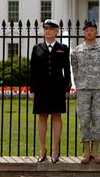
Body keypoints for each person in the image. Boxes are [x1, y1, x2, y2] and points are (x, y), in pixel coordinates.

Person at [30, 19, 71, 164]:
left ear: (56, 31)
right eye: (46, 28)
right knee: (42, 118)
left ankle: (55, 149)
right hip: (41, 89)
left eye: (51, 28)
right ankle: (42, 150)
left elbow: (67, 70)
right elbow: (33, 71)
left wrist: (67, 89)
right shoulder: (37, 48)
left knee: (56, 117)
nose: (48, 31)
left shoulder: (63, 48)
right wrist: (32, 90)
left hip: (57, 88)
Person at [71, 20, 100, 164]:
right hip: (83, 89)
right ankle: (86, 150)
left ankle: (96, 149)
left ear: (96, 32)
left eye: (92, 30)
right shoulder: (76, 51)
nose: (89, 32)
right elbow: (75, 70)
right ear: (84, 32)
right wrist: (79, 84)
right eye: (87, 30)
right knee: (84, 119)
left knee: (98, 119)